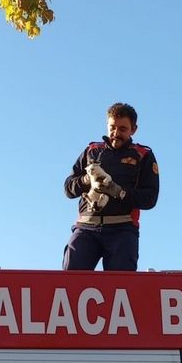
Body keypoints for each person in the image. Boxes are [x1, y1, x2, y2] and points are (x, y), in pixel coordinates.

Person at [63, 103, 159, 271]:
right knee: (70, 280)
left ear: (133, 130)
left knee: (120, 284)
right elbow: (68, 188)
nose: (116, 133)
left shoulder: (143, 155)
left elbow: (150, 199)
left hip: (122, 230)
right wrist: (87, 179)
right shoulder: (91, 151)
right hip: (86, 228)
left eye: (123, 129)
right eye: (112, 127)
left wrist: (119, 192)